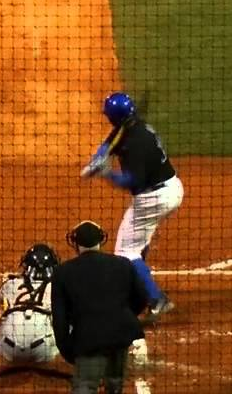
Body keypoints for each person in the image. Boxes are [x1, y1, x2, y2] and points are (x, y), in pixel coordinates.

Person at [80, 92, 184, 320]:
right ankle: (137, 283)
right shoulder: (131, 127)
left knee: (126, 251)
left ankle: (157, 300)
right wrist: (98, 158)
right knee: (136, 243)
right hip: (169, 189)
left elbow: (132, 182)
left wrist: (106, 173)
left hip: (154, 197)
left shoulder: (137, 143)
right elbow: (110, 142)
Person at [51, 220, 149, 394]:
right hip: (120, 335)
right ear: (100, 240)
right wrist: (122, 315)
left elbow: (60, 319)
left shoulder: (62, 272)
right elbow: (142, 297)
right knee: (115, 385)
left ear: (75, 243)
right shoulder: (123, 264)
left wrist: (66, 348)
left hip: (88, 339)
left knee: (86, 385)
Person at [0, 243, 61, 380]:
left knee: (1, 322)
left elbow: (2, 293)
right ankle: (85, 368)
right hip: (43, 351)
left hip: (9, 350)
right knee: (67, 320)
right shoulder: (59, 288)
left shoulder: (10, 284)